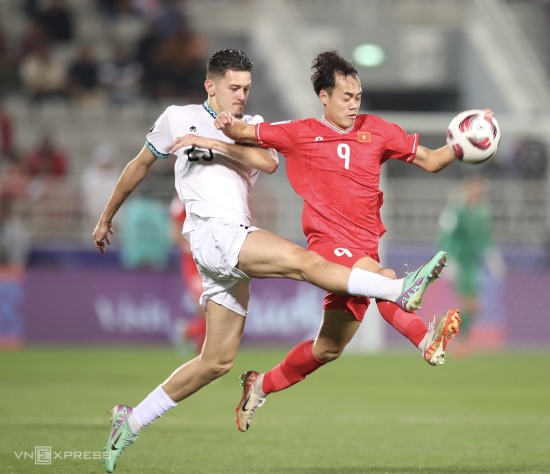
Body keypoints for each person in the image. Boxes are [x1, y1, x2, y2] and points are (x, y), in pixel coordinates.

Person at [94, 49, 443, 473]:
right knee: (302, 261)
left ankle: (128, 422)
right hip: (212, 233)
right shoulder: (175, 117)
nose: (241, 95)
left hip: (232, 244)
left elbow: (268, 161)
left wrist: (215, 140)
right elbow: (139, 165)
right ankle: (397, 290)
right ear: (211, 85)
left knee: (217, 361)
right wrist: (107, 214)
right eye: (233, 88)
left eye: (246, 89)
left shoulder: (252, 127)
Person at [171, 49, 472, 433]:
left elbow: (432, 160)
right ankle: (425, 339)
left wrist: (464, 145)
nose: (353, 104)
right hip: (329, 247)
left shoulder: (378, 130)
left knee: (327, 348)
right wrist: (227, 122)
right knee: (383, 277)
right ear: (324, 97)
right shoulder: (300, 133)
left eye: (357, 97)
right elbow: (246, 133)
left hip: (364, 247)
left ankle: (258, 385)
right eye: (345, 97)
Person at [436, 175, 505, 356]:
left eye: (480, 188)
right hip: (458, 260)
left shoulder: (483, 211)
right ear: (467, 189)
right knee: (471, 304)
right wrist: (448, 260)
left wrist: (492, 257)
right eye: (475, 188)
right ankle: (459, 341)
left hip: (472, 262)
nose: (478, 192)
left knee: (472, 305)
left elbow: (483, 238)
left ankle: (451, 335)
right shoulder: (455, 211)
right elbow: (445, 237)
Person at [169, 194, 206, 354]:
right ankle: (190, 334)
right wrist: (190, 246)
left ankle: (189, 332)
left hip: (211, 261)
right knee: (208, 310)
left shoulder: (207, 194)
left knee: (214, 313)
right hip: (193, 263)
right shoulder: (182, 200)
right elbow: (174, 233)